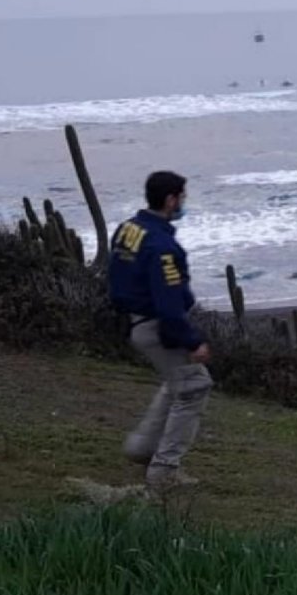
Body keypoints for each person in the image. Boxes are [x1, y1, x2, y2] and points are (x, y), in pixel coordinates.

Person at [108, 170, 214, 491]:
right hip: (155, 325)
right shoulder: (162, 246)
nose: (183, 203)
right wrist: (191, 341)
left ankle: (141, 448)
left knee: (177, 383)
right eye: (181, 197)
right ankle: (164, 470)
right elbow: (168, 303)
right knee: (194, 386)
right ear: (170, 199)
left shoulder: (129, 229)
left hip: (136, 321)